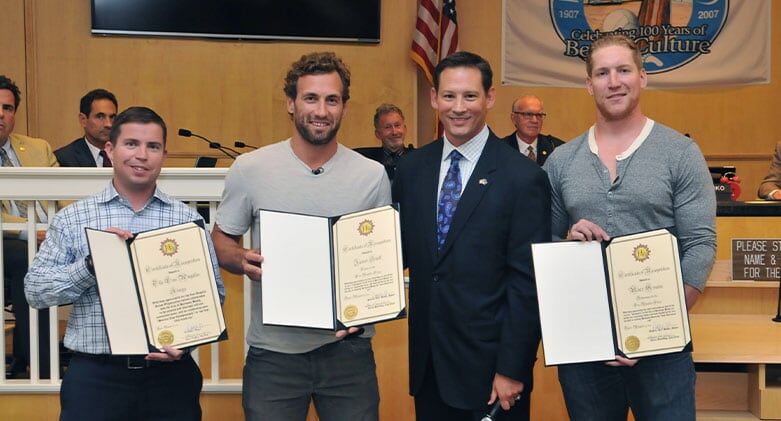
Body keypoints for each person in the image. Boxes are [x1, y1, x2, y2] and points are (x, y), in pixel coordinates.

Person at [543, 34, 716, 420]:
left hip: (662, 349)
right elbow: (543, 245)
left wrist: (654, 330)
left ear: (642, 77)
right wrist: (568, 240)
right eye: (602, 73)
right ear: (589, 85)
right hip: (584, 346)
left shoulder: (680, 153)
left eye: (623, 70)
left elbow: (700, 245)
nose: (614, 81)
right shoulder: (561, 161)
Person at [211, 52, 390, 421]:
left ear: (343, 106)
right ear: (291, 103)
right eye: (311, 98)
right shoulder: (250, 169)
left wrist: (372, 302)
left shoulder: (371, 175)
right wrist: (242, 260)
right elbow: (221, 242)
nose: (321, 110)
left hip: (348, 355)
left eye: (332, 100)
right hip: (274, 356)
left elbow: (379, 261)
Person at [25, 106, 225, 420]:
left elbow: (214, 294)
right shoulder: (73, 219)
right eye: (131, 144)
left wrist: (188, 340)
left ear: (164, 154)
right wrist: (92, 264)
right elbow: (36, 291)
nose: (141, 155)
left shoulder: (187, 220)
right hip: (96, 378)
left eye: (153, 146)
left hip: (170, 377)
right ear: (110, 150)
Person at [392, 51, 551, 421]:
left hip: (493, 373)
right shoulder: (413, 169)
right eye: (448, 96)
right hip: (429, 367)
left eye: (469, 96)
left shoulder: (522, 177)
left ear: (489, 98)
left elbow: (528, 284)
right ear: (434, 98)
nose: (458, 107)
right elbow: (398, 252)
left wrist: (513, 368)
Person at [0, 75, 57, 379]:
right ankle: (44, 368)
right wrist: (32, 230)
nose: (0, 114)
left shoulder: (38, 148)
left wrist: (60, 229)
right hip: (8, 239)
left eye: (7, 108)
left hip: (50, 235)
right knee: (27, 257)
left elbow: (67, 196)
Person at [54, 89, 118, 167]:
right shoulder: (65, 159)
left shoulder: (127, 154)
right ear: (83, 120)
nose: (109, 124)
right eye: (100, 117)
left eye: (112, 117)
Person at [354, 103, 414, 181]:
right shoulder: (366, 162)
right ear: (378, 134)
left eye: (397, 125)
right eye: (387, 127)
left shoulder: (418, 159)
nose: (394, 132)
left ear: (405, 129)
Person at [500, 94, 564, 166]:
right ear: (514, 118)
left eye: (539, 115)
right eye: (528, 114)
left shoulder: (555, 147)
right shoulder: (500, 148)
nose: (534, 120)